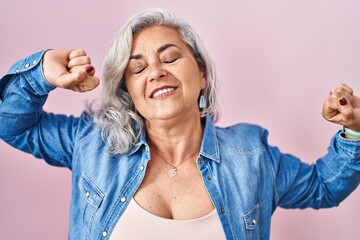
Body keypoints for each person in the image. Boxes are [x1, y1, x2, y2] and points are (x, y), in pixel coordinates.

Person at [0, 8, 359, 240]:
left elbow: (324, 187)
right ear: (130, 92)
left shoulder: (251, 154)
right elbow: (11, 124)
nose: (155, 72)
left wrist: (354, 130)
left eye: (170, 58)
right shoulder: (91, 142)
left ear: (201, 74)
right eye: (138, 68)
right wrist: (39, 74)